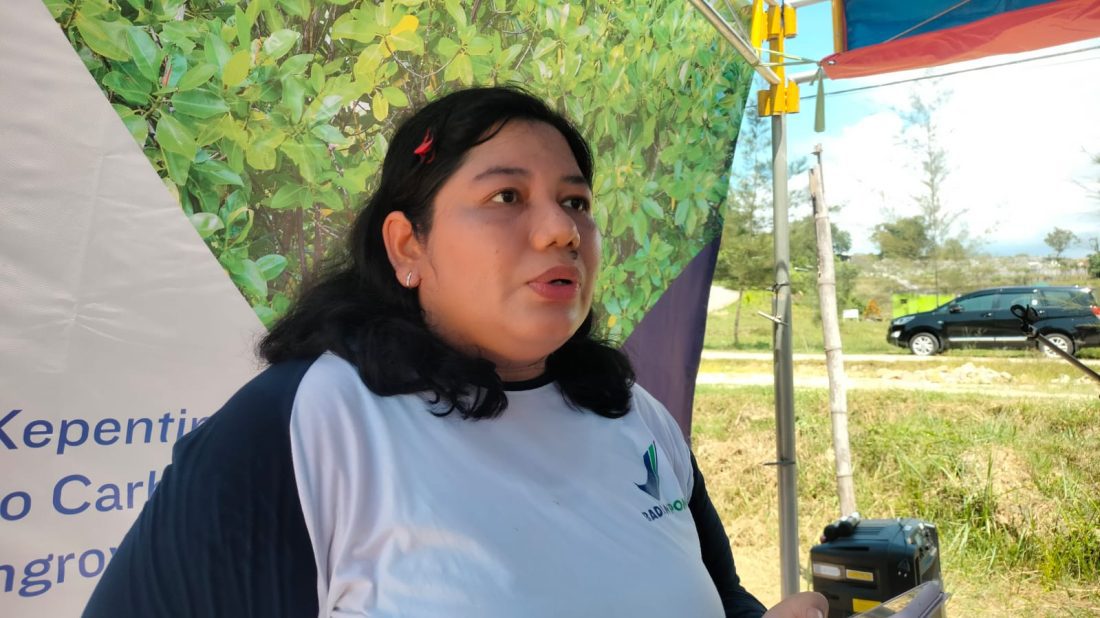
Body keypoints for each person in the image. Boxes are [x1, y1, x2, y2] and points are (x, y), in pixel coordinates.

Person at [83, 86, 827, 618]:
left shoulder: (636, 416)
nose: (562, 230)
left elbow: (717, 596)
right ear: (408, 247)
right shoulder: (307, 423)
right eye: (507, 197)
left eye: (575, 202)